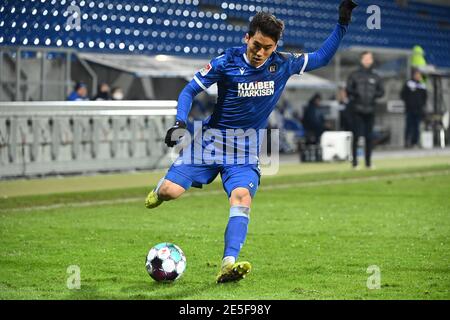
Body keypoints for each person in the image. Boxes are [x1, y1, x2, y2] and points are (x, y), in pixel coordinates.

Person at [145, 1, 358, 283]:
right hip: (211, 142)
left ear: (275, 46)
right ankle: (160, 189)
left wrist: (342, 23)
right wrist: (180, 122)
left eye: (267, 47)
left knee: (241, 198)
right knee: (171, 192)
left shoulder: (283, 63)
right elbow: (189, 90)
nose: (260, 52)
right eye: (256, 44)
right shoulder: (226, 62)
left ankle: (228, 264)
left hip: (245, 150)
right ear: (247, 37)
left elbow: (321, 57)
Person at [346, 51, 384, 169]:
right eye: (366, 58)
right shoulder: (354, 75)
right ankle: (354, 163)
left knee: (369, 137)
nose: (368, 60)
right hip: (357, 110)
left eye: (370, 58)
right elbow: (348, 89)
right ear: (361, 60)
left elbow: (381, 91)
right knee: (356, 137)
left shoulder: (376, 76)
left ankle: (368, 163)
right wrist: (356, 95)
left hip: (370, 110)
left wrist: (374, 95)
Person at [401, 69, 427, 148]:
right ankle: (407, 142)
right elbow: (403, 95)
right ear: (413, 75)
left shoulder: (422, 85)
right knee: (409, 126)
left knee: (417, 127)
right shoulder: (408, 84)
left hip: (418, 110)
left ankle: (414, 142)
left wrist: (421, 105)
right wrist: (408, 103)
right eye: (416, 74)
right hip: (410, 109)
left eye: (419, 75)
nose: (418, 76)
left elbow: (425, 97)